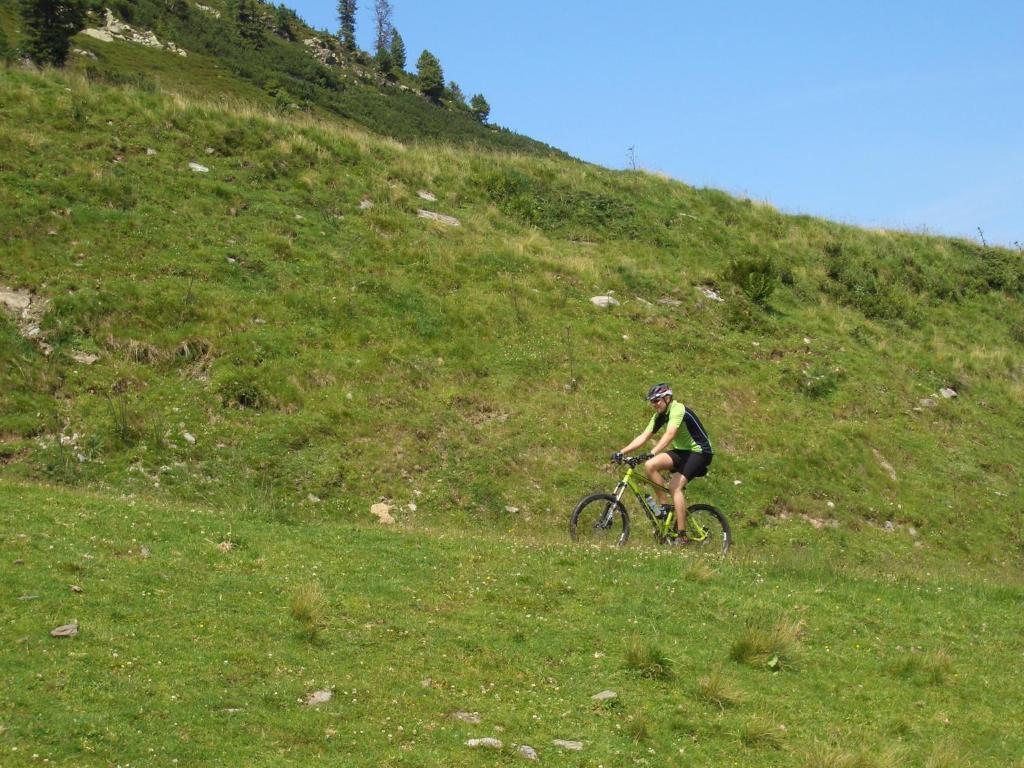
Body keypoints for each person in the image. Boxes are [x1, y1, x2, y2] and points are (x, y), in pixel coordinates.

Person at [613, 383, 713, 544]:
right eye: (652, 402)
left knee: (675, 487)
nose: (654, 405)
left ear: (667, 398)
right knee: (650, 465)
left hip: (700, 452)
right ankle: (665, 507)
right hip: (682, 451)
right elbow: (644, 436)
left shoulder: (677, 409)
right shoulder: (660, 415)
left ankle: (682, 535)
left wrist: (653, 452)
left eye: (657, 400)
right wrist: (621, 452)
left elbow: (670, 433)